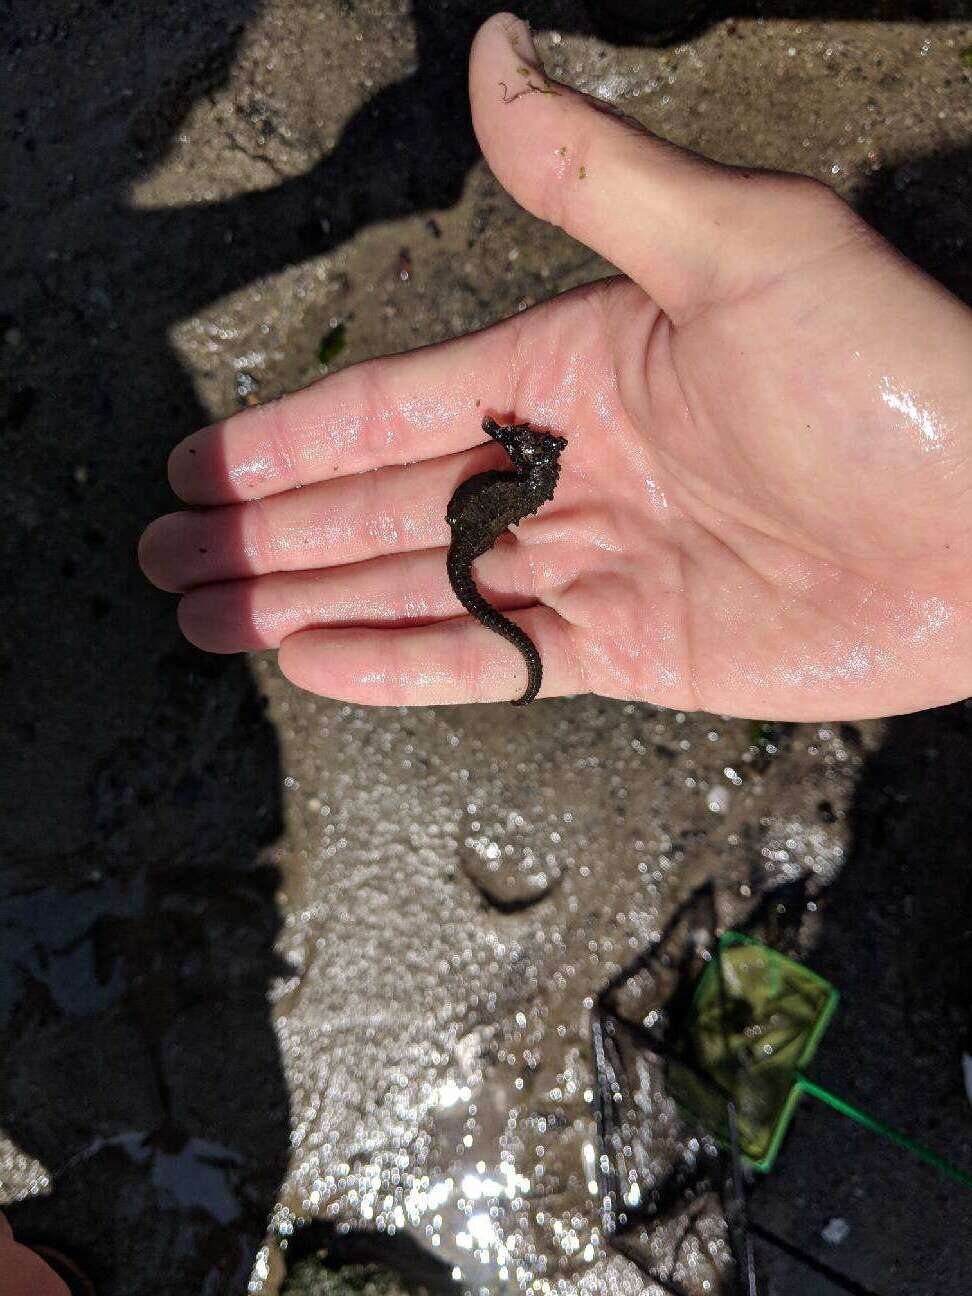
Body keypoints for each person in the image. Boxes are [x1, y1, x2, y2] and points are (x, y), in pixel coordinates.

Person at [140, 12, 972, 720]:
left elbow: (514, 477)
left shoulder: (525, 492)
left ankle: (515, 645)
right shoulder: (520, 494)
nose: (540, 447)